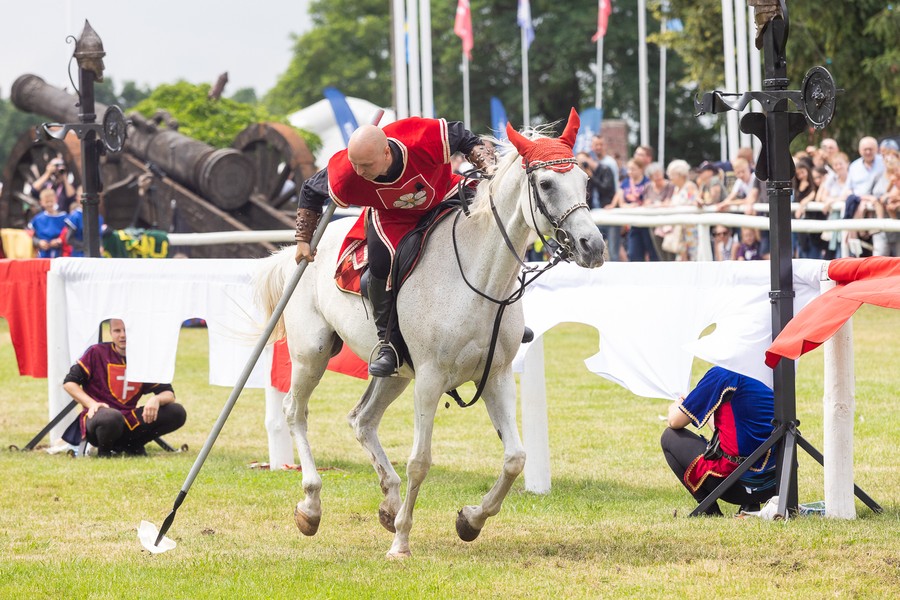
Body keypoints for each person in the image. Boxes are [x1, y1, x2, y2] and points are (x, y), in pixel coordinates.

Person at [293, 117, 495, 377]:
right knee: (380, 263)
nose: (360, 171)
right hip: (392, 215)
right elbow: (310, 190)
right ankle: (388, 344)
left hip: (444, 191)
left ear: (386, 151)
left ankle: (498, 316)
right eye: (356, 165)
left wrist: (489, 166)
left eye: (366, 165)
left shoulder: (421, 136)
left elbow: (466, 138)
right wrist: (302, 239)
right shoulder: (347, 172)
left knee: (494, 211)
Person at [61, 318, 187, 457]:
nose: (122, 335)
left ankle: (133, 444)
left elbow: (169, 394)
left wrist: (156, 399)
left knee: (177, 412)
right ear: (110, 333)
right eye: (117, 330)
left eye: (127, 330)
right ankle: (105, 452)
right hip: (100, 417)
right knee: (111, 417)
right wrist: (92, 404)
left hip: (129, 418)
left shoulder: (143, 357)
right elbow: (69, 383)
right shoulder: (96, 352)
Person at [661, 366, 777, 515]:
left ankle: (709, 510)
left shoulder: (723, 374)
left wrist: (676, 407)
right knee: (751, 438)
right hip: (777, 482)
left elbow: (674, 421)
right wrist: (704, 407)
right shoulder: (767, 370)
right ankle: (750, 506)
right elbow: (731, 428)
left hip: (738, 485)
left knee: (669, 437)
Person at [611, 159, 653, 261]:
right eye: (629, 169)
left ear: (641, 169)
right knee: (634, 254)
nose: (630, 171)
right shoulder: (625, 182)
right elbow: (621, 200)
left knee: (652, 254)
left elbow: (649, 200)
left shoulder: (647, 182)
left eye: (633, 169)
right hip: (633, 224)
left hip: (647, 224)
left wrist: (640, 205)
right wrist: (614, 205)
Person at [792, 157, 826, 259]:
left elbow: (812, 194)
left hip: (813, 222)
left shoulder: (813, 185)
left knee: (813, 253)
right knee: (802, 249)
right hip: (801, 225)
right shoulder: (797, 186)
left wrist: (802, 205)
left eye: (803, 172)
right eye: (798, 174)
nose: (801, 176)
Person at [27, 188, 68, 258]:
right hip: (42, 254)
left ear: (56, 200)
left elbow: (68, 233)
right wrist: (38, 242)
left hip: (60, 254)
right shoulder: (38, 219)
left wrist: (59, 240)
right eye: (46, 202)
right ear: (41, 202)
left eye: (51, 201)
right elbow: (29, 234)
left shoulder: (64, 217)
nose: (49, 204)